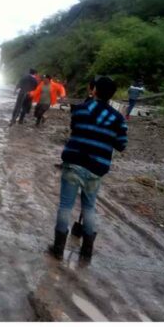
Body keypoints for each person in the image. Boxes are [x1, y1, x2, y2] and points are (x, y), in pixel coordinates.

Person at [48, 76, 127, 262]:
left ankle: (58, 248)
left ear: (94, 91)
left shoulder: (80, 110)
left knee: (65, 206)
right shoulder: (118, 119)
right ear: (112, 95)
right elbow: (121, 145)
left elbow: (75, 128)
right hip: (96, 168)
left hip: (74, 163)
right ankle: (87, 250)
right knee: (89, 208)